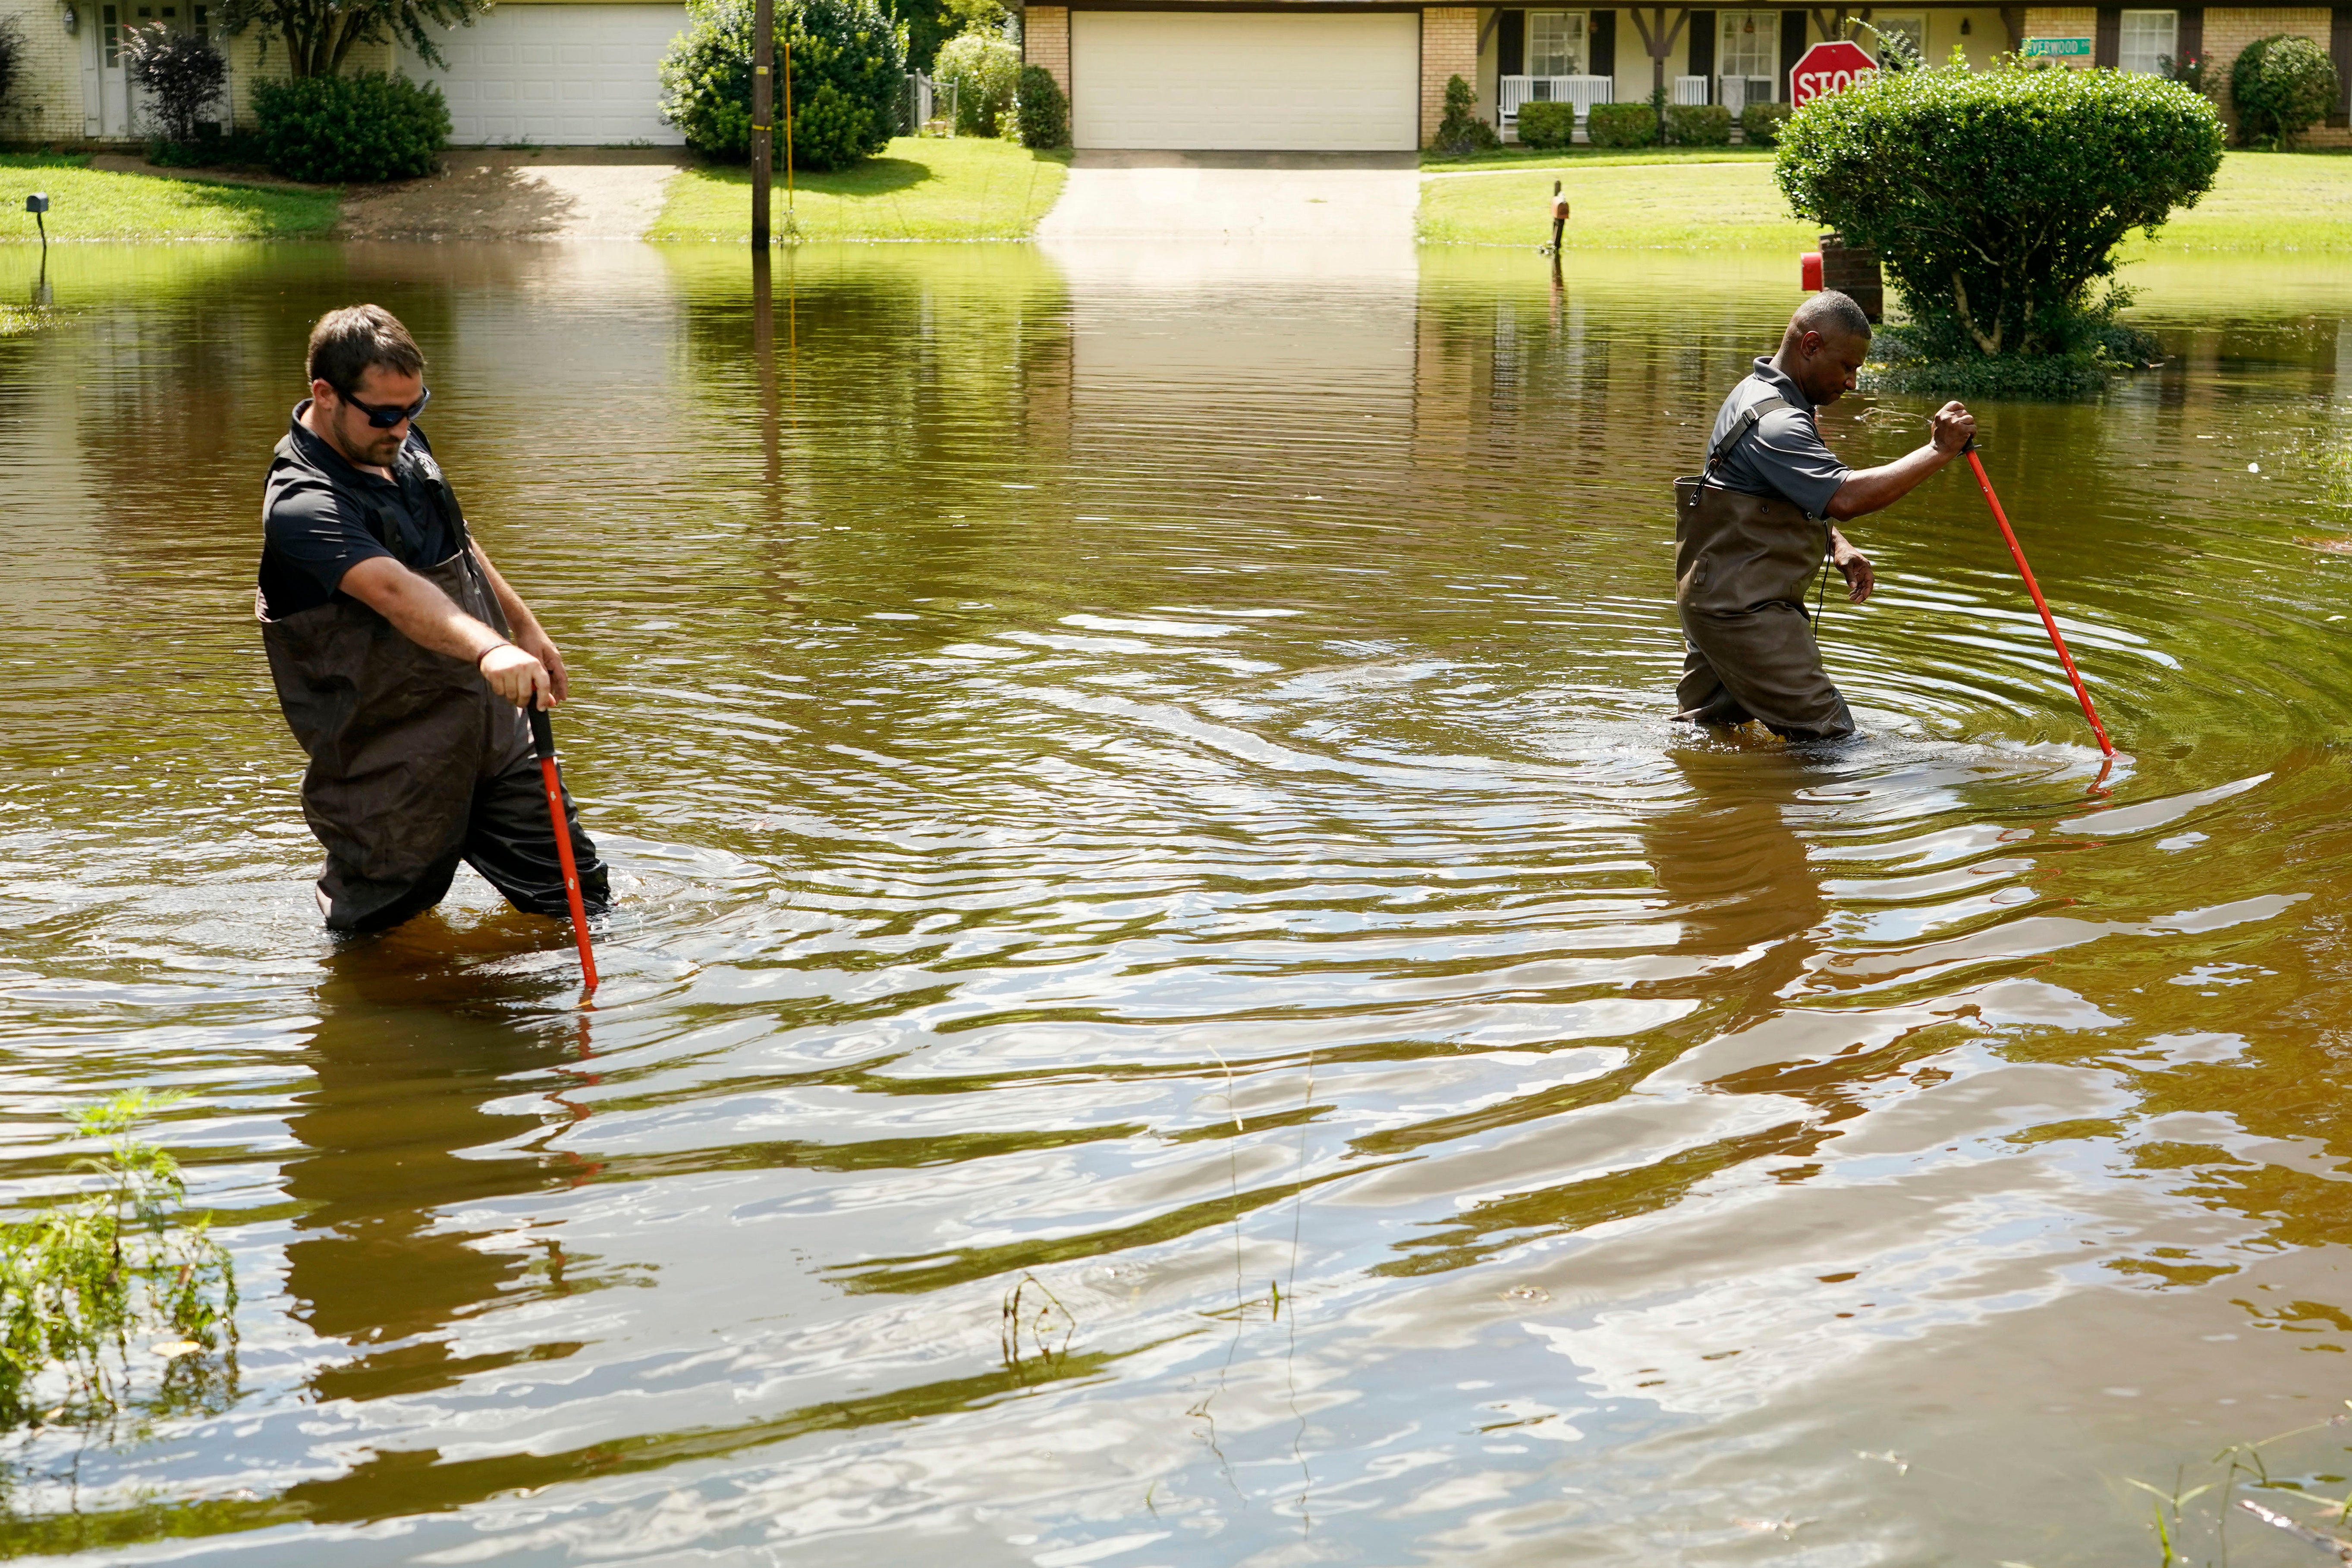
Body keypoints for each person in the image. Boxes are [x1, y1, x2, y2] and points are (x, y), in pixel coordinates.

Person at [257, 304, 610, 932]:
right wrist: (488, 650)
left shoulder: (398, 438)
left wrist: (521, 626)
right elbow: (395, 592)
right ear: (325, 394)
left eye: (415, 407)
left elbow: (456, 539)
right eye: (387, 413)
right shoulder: (301, 503)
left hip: (492, 731)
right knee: (380, 932)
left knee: (578, 896)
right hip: (391, 759)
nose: (403, 427)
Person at [1673, 289, 1975, 741]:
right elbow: (1846, 498)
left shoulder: (1756, 394)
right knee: (1830, 739)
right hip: (1743, 611)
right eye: (1847, 366)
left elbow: (1778, 494)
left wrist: (1837, 544)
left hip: (1712, 599)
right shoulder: (1777, 422)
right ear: (1810, 346)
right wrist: (1938, 450)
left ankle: (1703, 802)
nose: (1852, 382)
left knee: (1707, 730)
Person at [1544, 179, 1570, 255]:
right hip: (1560, 212)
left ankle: (1556, 245)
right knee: (1558, 225)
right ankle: (1556, 245)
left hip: (1560, 212)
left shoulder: (1558, 202)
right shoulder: (1558, 202)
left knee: (1558, 225)